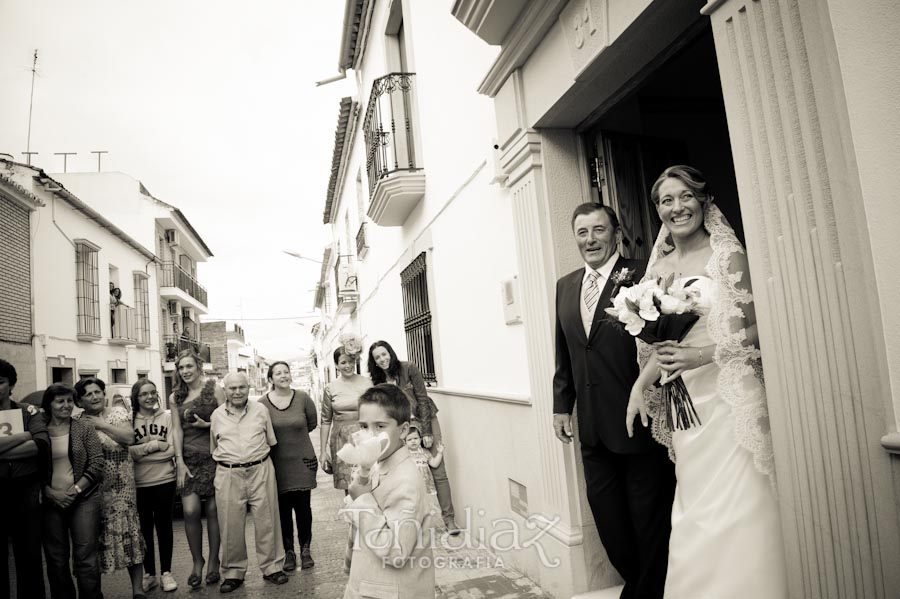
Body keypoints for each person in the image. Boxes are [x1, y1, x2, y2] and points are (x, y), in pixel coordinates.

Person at [625, 165, 787, 598]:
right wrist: (639, 387)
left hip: (729, 396)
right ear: (657, 210)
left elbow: (760, 329)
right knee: (693, 506)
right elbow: (661, 344)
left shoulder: (728, 256)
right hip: (685, 403)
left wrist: (701, 355)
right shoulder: (656, 267)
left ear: (703, 201)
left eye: (684, 197)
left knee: (739, 503)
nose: (677, 208)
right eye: (666, 200)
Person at [553, 202, 676, 598]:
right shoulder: (565, 285)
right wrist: (561, 404)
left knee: (648, 516)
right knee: (608, 519)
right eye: (582, 232)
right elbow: (567, 349)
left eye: (598, 230)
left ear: (616, 232)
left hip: (636, 415)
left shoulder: (643, 273)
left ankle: (645, 591)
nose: (590, 239)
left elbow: (662, 342)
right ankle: (639, 583)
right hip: (590, 425)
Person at [343, 383, 434, 599]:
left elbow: (397, 550)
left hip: (391, 591)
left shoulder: (407, 481)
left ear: (403, 430)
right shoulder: (377, 463)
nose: (370, 435)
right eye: (364, 426)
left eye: (380, 426)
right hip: (368, 581)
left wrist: (362, 500)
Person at [368, 341, 461, 533]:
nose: (382, 359)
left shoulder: (408, 368)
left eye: (384, 354)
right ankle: (415, 522)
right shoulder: (378, 382)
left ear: (390, 353)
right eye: (377, 357)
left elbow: (422, 398)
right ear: (374, 362)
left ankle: (449, 520)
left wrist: (426, 430)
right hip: (403, 429)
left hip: (425, 418)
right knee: (409, 474)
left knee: (438, 471)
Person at [210, 372, 289, 593]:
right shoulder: (216, 416)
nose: (237, 392)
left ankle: (272, 567)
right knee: (230, 524)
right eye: (232, 388)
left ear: (248, 388)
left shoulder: (261, 411)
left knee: (268, 520)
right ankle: (233, 573)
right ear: (225, 390)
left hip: (260, 469)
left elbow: (271, 441)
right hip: (228, 473)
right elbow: (213, 447)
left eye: (241, 388)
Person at [74, 378, 146, 599]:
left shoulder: (117, 413)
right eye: (88, 394)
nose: (95, 396)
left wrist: (101, 424)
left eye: (98, 392)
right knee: (92, 539)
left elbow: (128, 437)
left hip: (122, 487)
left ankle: (137, 589)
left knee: (130, 533)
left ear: (104, 394)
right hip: (93, 488)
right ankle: (95, 592)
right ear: (80, 400)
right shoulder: (77, 421)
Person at [41, 383, 104, 599]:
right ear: (49, 405)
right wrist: (49, 492)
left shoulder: (83, 427)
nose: (66, 405)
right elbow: (33, 468)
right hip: (50, 502)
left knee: (86, 558)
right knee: (56, 560)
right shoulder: (39, 431)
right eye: (60, 401)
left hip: (84, 498)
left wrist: (75, 490)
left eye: (69, 401)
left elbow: (97, 463)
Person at [169, 349, 224, 588]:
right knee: (190, 511)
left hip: (214, 456)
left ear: (199, 367)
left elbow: (228, 420)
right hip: (188, 459)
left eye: (189, 366)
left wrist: (206, 425)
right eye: (181, 368)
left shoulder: (215, 389)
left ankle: (213, 561)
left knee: (213, 510)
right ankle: (197, 561)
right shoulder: (176, 397)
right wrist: (179, 461)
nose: (185, 372)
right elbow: (177, 429)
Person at [258, 361, 318, 572]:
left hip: (302, 461)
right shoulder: (261, 403)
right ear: (270, 378)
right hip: (276, 463)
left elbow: (312, 423)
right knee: (282, 510)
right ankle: (288, 552)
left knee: (303, 508)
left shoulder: (302, 398)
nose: (283, 375)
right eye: (278, 373)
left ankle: (305, 549)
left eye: (286, 372)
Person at [0, 359, 49, 599]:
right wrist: (25, 435)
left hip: (26, 491)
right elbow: (31, 440)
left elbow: (40, 445)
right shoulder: (29, 419)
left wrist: (30, 436)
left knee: (29, 556)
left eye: (0, 382)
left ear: (11, 385)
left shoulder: (28, 411)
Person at [129, 379, 178, 593]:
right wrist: (156, 445)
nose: (149, 397)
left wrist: (142, 452)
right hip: (139, 483)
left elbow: (173, 449)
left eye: (152, 393)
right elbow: (128, 453)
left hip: (165, 479)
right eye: (143, 394)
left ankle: (166, 572)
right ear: (136, 398)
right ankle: (149, 574)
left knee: (164, 527)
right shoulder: (129, 421)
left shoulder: (167, 418)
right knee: (144, 530)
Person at [321, 345, 371, 490]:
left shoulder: (367, 383)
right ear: (336, 365)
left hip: (364, 437)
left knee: (369, 481)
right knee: (349, 486)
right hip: (341, 441)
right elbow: (325, 420)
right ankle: (352, 513)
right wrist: (323, 452)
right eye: (343, 362)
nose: (348, 366)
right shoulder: (331, 388)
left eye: (350, 361)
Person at [404, 424, 443, 519]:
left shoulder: (425, 452)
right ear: (405, 442)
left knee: (431, 508)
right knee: (416, 507)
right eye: (409, 439)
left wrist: (440, 453)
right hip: (413, 487)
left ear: (420, 439)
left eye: (415, 438)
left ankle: (434, 527)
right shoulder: (405, 454)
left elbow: (434, 463)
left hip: (427, 486)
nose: (413, 441)